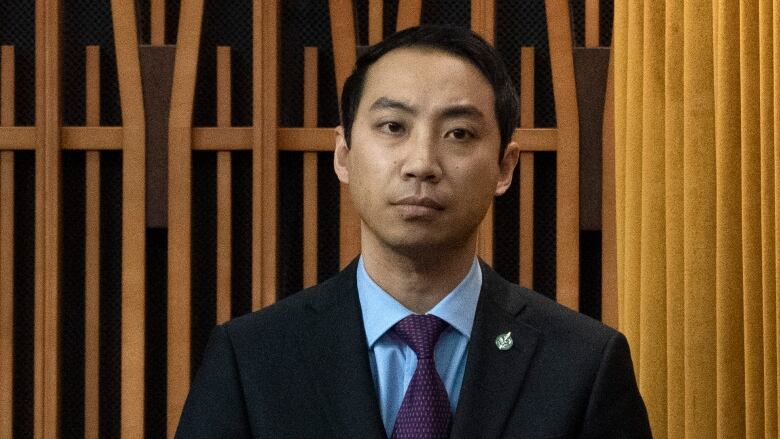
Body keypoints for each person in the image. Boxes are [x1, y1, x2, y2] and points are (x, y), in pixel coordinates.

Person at [176, 25, 652, 439]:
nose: (422, 164)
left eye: (459, 133)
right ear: (343, 154)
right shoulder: (251, 360)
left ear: (505, 167)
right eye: (392, 126)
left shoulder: (582, 364)